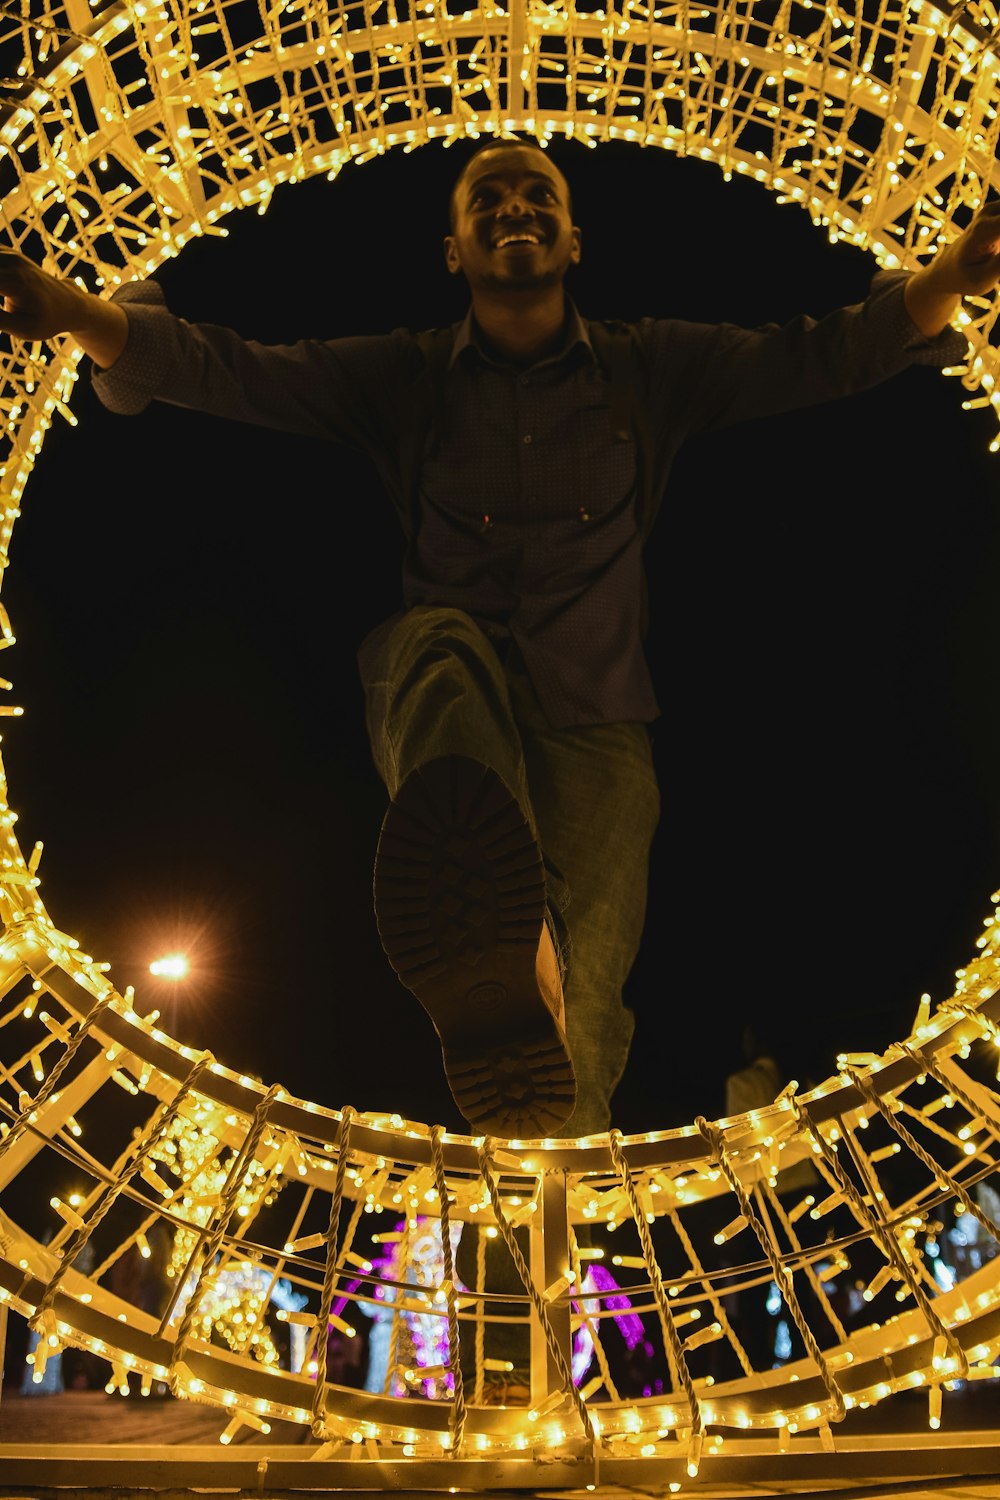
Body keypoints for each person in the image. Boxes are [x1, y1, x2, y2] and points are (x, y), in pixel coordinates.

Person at [1, 139, 998, 1144]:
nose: (514, 209)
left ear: (574, 240)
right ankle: (494, 928)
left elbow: (815, 353)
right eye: (488, 199)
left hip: (599, 718)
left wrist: (954, 273)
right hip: (448, 689)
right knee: (431, 648)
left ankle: (545, 1226)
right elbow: (239, 374)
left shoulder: (648, 368)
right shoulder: (406, 379)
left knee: (585, 1024)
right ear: (451, 250)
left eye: (537, 197)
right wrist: (78, 315)